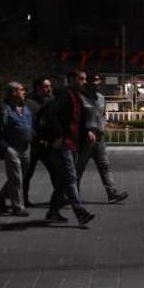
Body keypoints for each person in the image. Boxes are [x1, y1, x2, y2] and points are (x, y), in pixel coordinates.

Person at [45, 70, 95, 227]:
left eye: (85, 79)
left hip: (73, 143)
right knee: (71, 178)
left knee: (63, 181)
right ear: (71, 79)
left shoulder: (76, 96)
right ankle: (80, 212)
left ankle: (53, 211)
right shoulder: (65, 95)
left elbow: (78, 119)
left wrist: (87, 131)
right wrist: (59, 136)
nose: (84, 82)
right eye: (81, 79)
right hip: (65, 143)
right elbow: (51, 115)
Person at [77, 73, 128, 204]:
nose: (99, 83)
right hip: (85, 140)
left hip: (99, 139)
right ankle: (72, 196)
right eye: (95, 80)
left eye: (99, 80)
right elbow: (76, 119)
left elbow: (102, 114)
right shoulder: (79, 99)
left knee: (104, 166)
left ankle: (112, 193)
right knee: (78, 169)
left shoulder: (100, 98)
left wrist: (104, 126)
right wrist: (85, 130)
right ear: (86, 83)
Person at [0, 81, 33, 216]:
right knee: (16, 178)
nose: (24, 92)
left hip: (25, 147)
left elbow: (30, 126)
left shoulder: (26, 108)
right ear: (13, 92)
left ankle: (2, 196)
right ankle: (18, 207)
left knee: (21, 175)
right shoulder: (4, 109)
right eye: (22, 90)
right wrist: (4, 147)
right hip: (11, 148)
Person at [23, 77, 55, 207]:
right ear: (38, 88)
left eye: (50, 86)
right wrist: (37, 138)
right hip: (34, 145)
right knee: (27, 173)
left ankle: (59, 198)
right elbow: (28, 124)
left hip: (46, 144)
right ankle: (22, 199)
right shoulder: (29, 104)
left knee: (55, 171)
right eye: (46, 86)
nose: (49, 89)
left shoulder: (50, 101)